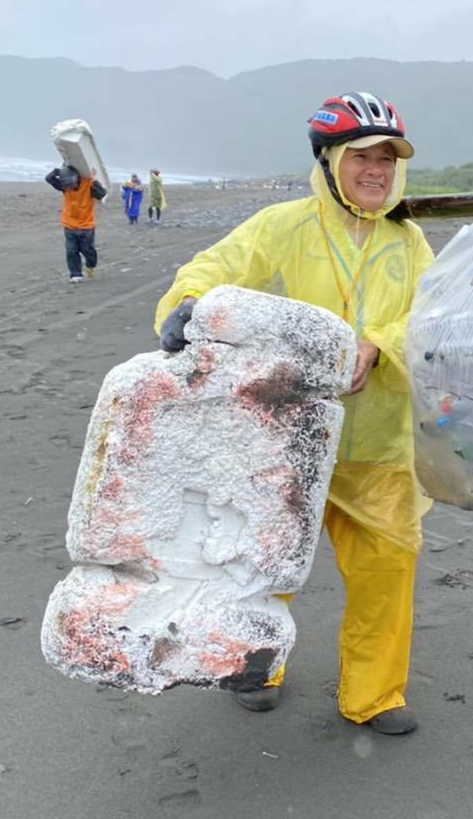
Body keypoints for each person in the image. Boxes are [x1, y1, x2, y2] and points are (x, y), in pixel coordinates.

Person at [153, 91, 433, 735]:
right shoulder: (286, 225)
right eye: (361, 156)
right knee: (266, 562)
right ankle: (257, 664)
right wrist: (188, 302)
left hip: (380, 443)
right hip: (287, 436)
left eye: (388, 158)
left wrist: (378, 345)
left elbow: (431, 314)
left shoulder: (409, 241)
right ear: (330, 162)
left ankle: (375, 695)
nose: (376, 170)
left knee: (387, 570)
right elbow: (216, 267)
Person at [45, 164, 106, 283]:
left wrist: (94, 181)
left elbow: (102, 194)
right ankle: (76, 274)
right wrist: (58, 171)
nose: (70, 188)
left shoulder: (88, 184)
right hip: (69, 224)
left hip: (86, 225)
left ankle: (90, 265)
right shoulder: (65, 187)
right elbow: (49, 179)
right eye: (67, 185)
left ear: (77, 179)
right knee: (71, 251)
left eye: (72, 185)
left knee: (88, 250)